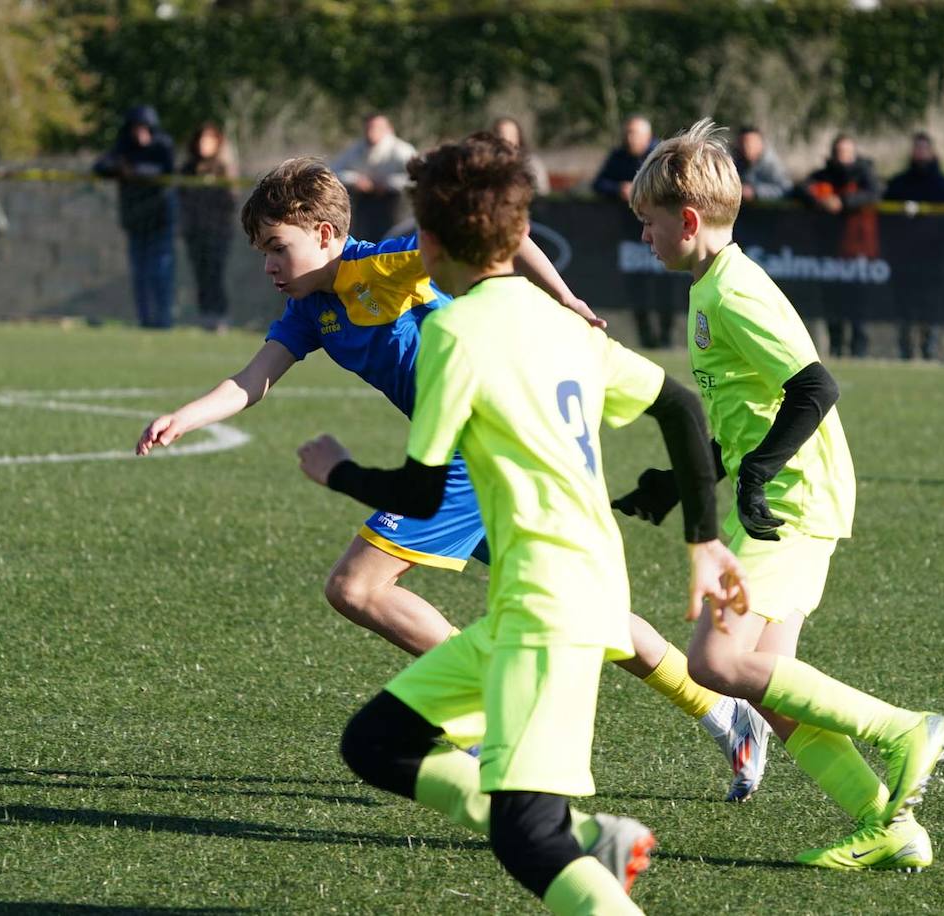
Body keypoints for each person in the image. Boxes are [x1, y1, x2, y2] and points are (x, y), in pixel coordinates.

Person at [136, 156, 772, 803]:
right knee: (592, 609)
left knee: (356, 587)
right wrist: (184, 417)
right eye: (262, 251)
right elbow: (252, 379)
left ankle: (482, 715)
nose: (268, 265)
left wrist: (563, 298)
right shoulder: (310, 309)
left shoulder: (376, 268)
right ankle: (723, 713)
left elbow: (500, 233)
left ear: (326, 236)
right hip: (488, 459)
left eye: (278, 247)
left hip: (466, 458)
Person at [294, 132, 749, 914]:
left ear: (429, 243)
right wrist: (703, 541)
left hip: (546, 612)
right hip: (544, 601)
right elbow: (679, 405)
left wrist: (335, 469)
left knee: (527, 837)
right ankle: (594, 837)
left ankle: (580, 845)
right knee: (374, 745)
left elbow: (422, 491)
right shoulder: (563, 325)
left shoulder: (455, 332)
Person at [626, 118, 944, 871]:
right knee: (775, 687)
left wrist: (757, 474)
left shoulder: (734, 292)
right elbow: (749, 412)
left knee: (713, 659)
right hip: (791, 489)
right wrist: (681, 481)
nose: (642, 236)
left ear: (685, 220)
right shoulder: (711, 283)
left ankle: (904, 728)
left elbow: (815, 389)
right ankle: (889, 826)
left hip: (792, 498)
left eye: (646, 223)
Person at [593, 115, 673, 350]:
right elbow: (598, 183)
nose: (630, 138)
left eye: (635, 133)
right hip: (630, 234)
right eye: (628, 133)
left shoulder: (661, 155)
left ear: (648, 135)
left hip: (661, 231)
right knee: (637, 288)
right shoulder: (618, 157)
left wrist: (642, 190)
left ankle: (666, 338)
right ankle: (646, 339)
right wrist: (618, 188)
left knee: (664, 286)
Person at [95, 105, 178, 329]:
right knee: (140, 273)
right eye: (136, 128)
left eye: (145, 128)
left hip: (159, 219)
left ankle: (163, 320)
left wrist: (135, 171)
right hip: (135, 220)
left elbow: (166, 169)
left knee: (160, 272)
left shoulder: (162, 144)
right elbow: (100, 166)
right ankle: (146, 319)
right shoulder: (124, 146)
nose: (140, 133)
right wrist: (119, 167)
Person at [802, 135, 883, 358]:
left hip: (859, 253)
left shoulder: (864, 174)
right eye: (839, 151)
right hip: (830, 252)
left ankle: (859, 353)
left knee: (859, 307)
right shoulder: (825, 176)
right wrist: (821, 200)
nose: (842, 156)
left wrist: (844, 202)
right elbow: (803, 188)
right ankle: (836, 350)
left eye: (847, 151)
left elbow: (874, 194)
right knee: (833, 305)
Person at [884, 132, 944, 361]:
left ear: (933, 152)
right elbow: (885, 212)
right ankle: (905, 350)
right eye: (917, 148)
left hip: (933, 256)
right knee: (903, 306)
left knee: (930, 307)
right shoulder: (899, 184)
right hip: (904, 255)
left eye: (925, 148)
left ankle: (929, 351)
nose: (921, 153)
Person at [179, 122, 238, 332]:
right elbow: (182, 199)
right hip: (195, 231)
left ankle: (219, 317)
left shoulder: (222, 168)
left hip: (218, 231)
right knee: (201, 274)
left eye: (209, 139)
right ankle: (205, 316)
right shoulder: (188, 169)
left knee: (215, 272)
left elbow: (230, 200)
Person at [330, 113, 417, 242]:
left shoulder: (402, 150)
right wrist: (356, 180)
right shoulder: (356, 149)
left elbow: (414, 177)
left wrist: (388, 183)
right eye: (369, 128)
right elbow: (334, 170)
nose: (372, 132)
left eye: (377, 128)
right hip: (364, 205)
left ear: (388, 129)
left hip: (395, 206)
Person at [492, 116, 551, 195]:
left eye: (511, 135)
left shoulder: (532, 163)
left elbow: (542, 192)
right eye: (502, 135)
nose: (507, 140)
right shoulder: (488, 163)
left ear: (518, 137)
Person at [731, 126, 792, 202]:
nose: (746, 147)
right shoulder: (736, 161)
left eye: (750, 143)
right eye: (742, 143)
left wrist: (755, 191)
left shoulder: (771, 165)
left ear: (761, 144)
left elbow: (785, 189)